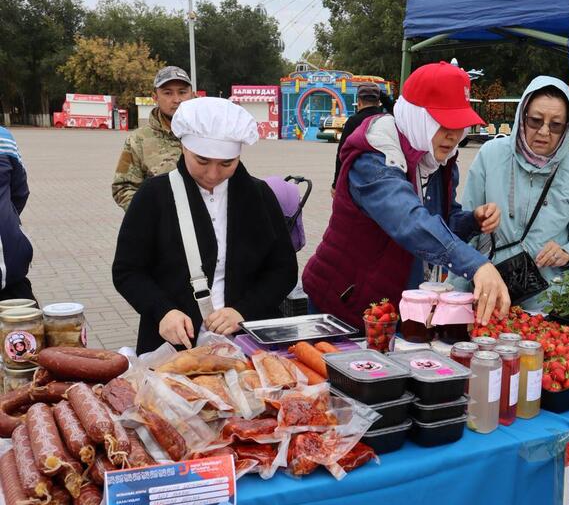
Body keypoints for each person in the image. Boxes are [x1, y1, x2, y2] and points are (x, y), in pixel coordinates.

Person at [302, 61, 509, 329]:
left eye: (460, 124)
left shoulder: (435, 159)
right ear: (417, 117)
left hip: (394, 308)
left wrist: (472, 221)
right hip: (344, 304)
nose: (453, 135)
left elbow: (439, 222)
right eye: (443, 123)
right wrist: (476, 265)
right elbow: (408, 221)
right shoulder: (374, 157)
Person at [112, 97, 298, 354]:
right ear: (183, 147)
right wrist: (163, 310)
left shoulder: (259, 195)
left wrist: (243, 310)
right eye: (202, 161)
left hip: (249, 342)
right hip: (175, 346)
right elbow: (127, 271)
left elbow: (283, 269)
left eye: (226, 164)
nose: (213, 174)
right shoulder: (153, 195)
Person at [452, 76, 569, 310]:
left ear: (566, 127)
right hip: (488, 293)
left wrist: (568, 253)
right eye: (535, 121)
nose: (544, 131)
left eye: (555, 125)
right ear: (521, 117)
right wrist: (457, 296)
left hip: (548, 300)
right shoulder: (491, 155)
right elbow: (465, 227)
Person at [112, 66, 194, 210]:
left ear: (192, 94)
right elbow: (123, 187)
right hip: (161, 229)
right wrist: (151, 215)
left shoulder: (208, 132)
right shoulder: (139, 139)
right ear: (155, 97)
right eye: (168, 93)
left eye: (182, 92)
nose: (177, 99)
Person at [331, 83, 393, 194]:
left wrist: (336, 184)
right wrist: (381, 94)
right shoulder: (387, 119)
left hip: (358, 178)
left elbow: (341, 154)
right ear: (379, 102)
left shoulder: (353, 121)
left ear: (359, 101)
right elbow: (394, 109)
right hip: (385, 177)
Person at [0, 126, 34, 300]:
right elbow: (19, 192)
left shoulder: (3, 138)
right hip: (8, 269)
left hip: (9, 275)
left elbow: (19, 192)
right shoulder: (3, 137)